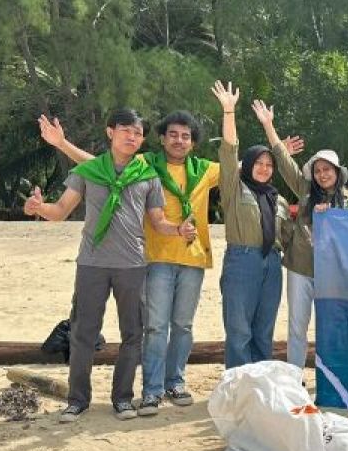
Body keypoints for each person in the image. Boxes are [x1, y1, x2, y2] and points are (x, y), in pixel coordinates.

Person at [37, 111, 220, 414]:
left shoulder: (173, 171)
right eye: (126, 130)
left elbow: (246, 166)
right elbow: (88, 174)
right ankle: (102, 397)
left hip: (160, 260)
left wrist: (178, 230)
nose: (132, 137)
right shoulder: (121, 167)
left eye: (137, 132)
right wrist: (61, 146)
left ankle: (148, 390)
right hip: (117, 260)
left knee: (158, 330)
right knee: (110, 329)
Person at [251, 100, 348, 368]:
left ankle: (329, 380)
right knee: (297, 326)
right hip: (300, 267)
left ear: (337, 173)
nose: (321, 175)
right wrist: (268, 125)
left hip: (333, 274)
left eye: (327, 169)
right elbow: (283, 161)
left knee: (329, 329)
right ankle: (295, 377)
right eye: (317, 171)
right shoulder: (305, 191)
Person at [211, 81, 290, 369]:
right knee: (239, 330)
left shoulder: (278, 199)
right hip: (242, 261)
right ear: (247, 165)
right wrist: (229, 111)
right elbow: (229, 151)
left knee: (263, 330)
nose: (265, 168)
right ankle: (238, 386)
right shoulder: (234, 188)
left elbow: (292, 236)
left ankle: (259, 387)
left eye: (270, 165)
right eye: (259, 162)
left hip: (272, 264)